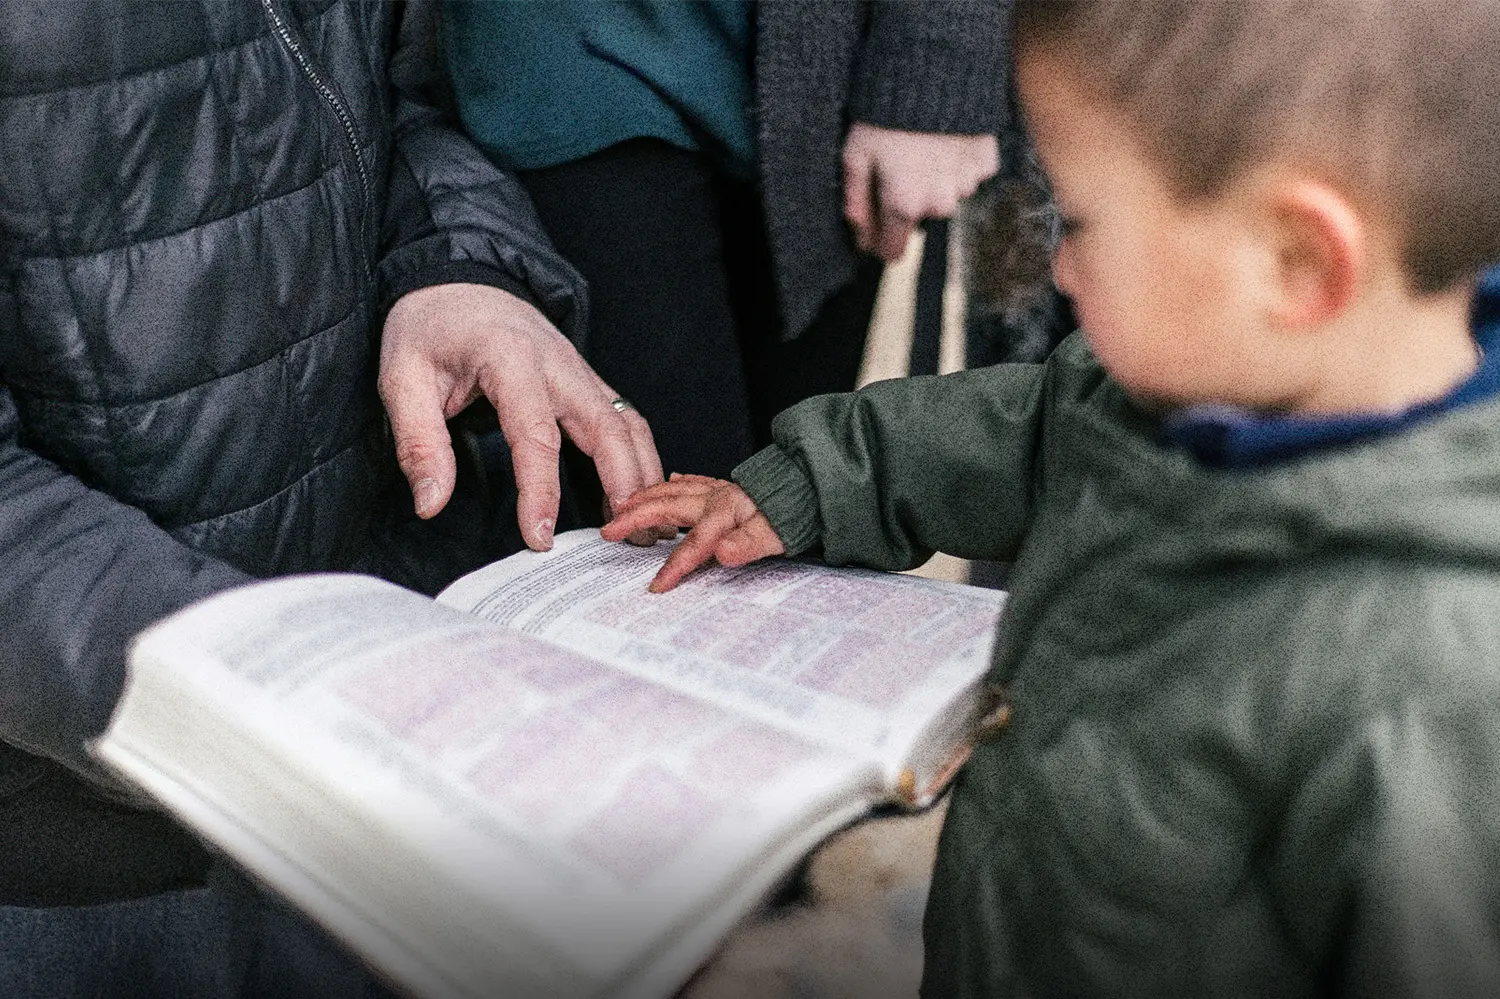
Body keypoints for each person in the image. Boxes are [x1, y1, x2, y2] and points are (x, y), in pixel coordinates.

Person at [604, 0, 1500, 993]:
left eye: (1076, 221)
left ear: (1295, 262)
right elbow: (1025, 431)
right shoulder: (1169, 392)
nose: (1060, 270)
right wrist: (806, 483)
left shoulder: (1432, 693)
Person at [0, 1, 662, 994]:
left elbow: (384, 98)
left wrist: (456, 268)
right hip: (71, 816)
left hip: (356, 707)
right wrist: (264, 678)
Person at [442, 0, 1007, 500]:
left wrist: (939, 54)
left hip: (823, 66)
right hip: (560, 50)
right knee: (659, 520)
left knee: (788, 499)